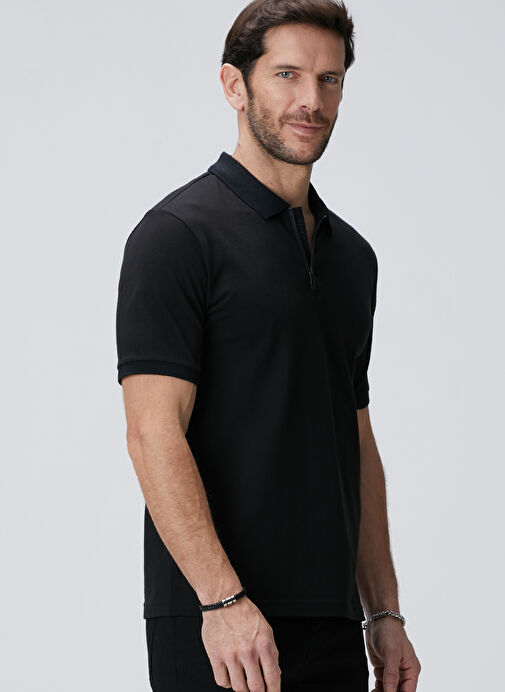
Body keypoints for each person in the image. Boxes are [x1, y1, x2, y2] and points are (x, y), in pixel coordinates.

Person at [115, 1, 422, 690]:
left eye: (329, 79)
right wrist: (222, 601)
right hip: (218, 622)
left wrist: (383, 611)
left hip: (334, 622)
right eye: (287, 74)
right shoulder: (177, 236)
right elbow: (152, 432)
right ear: (235, 85)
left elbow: (355, 438)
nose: (311, 100)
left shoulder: (353, 258)